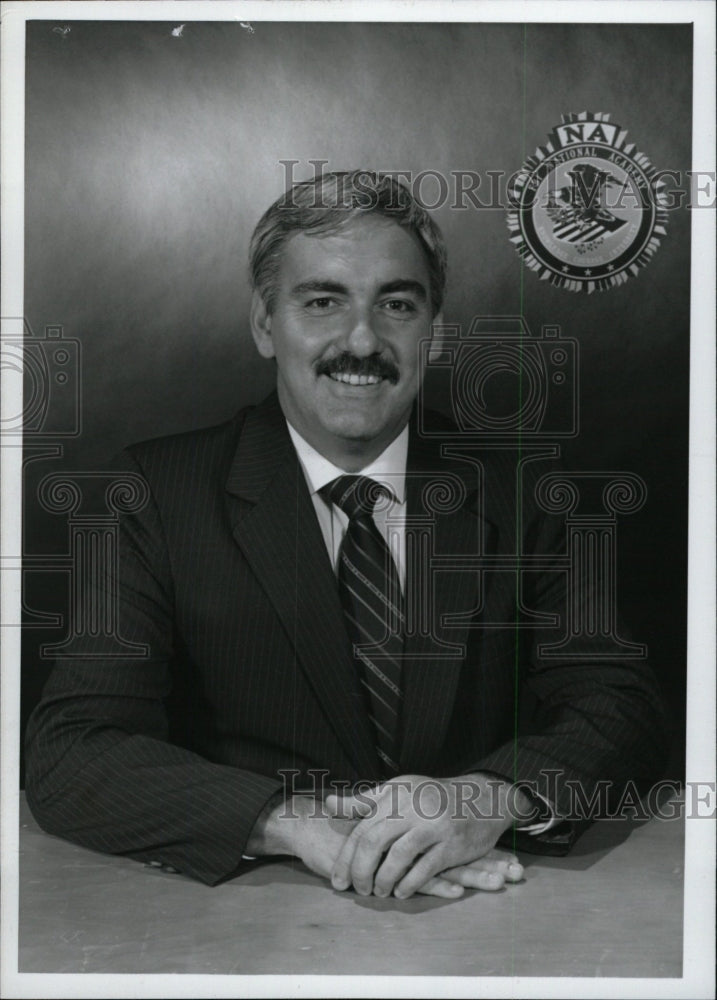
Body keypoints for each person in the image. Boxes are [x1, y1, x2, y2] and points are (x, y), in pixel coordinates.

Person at [25, 170, 668, 901]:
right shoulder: (152, 496)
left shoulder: (526, 495)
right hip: (249, 915)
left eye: (396, 304)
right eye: (322, 301)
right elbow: (71, 752)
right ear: (266, 326)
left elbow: (620, 707)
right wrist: (290, 823)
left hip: (490, 908)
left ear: (434, 328)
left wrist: (484, 800)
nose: (361, 340)